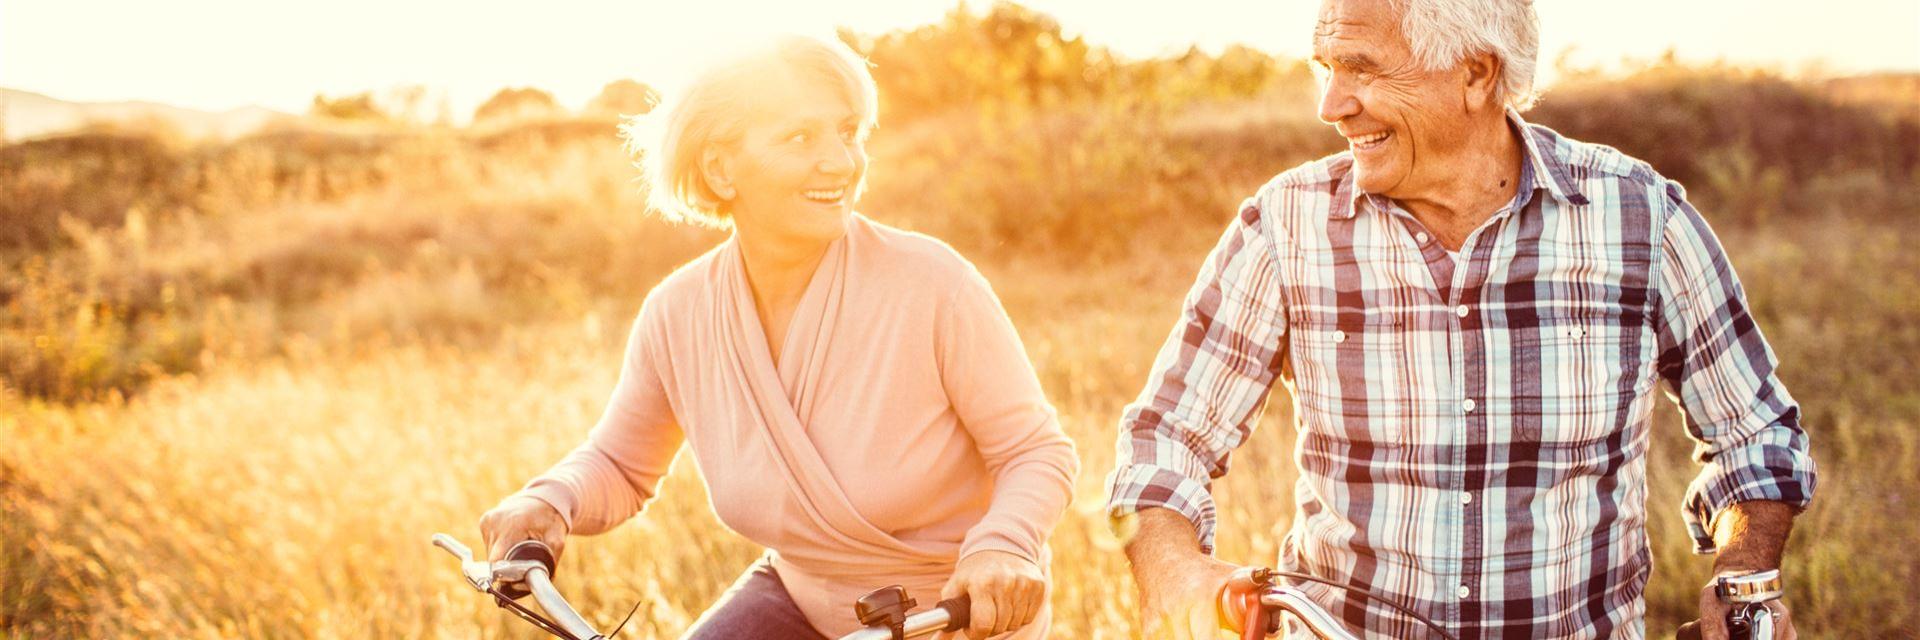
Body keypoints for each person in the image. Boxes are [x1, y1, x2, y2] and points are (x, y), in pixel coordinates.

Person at [1104, 1, 1814, 638]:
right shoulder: (1287, 225)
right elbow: (1164, 439)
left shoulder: (1641, 218)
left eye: (1360, 68)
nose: (1330, 103)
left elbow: (1756, 433)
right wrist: (1172, 566)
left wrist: (1743, 578)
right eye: (1325, 67)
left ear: (1475, 74)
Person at [478, 34, 1077, 640]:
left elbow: (1036, 451)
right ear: (720, 167)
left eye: (848, 133)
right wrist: (551, 500)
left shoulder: (934, 284)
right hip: (798, 597)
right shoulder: (678, 312)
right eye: (800, 138)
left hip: (951, 614)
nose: (842, 162)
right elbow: (620, 463)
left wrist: (1002, 547)